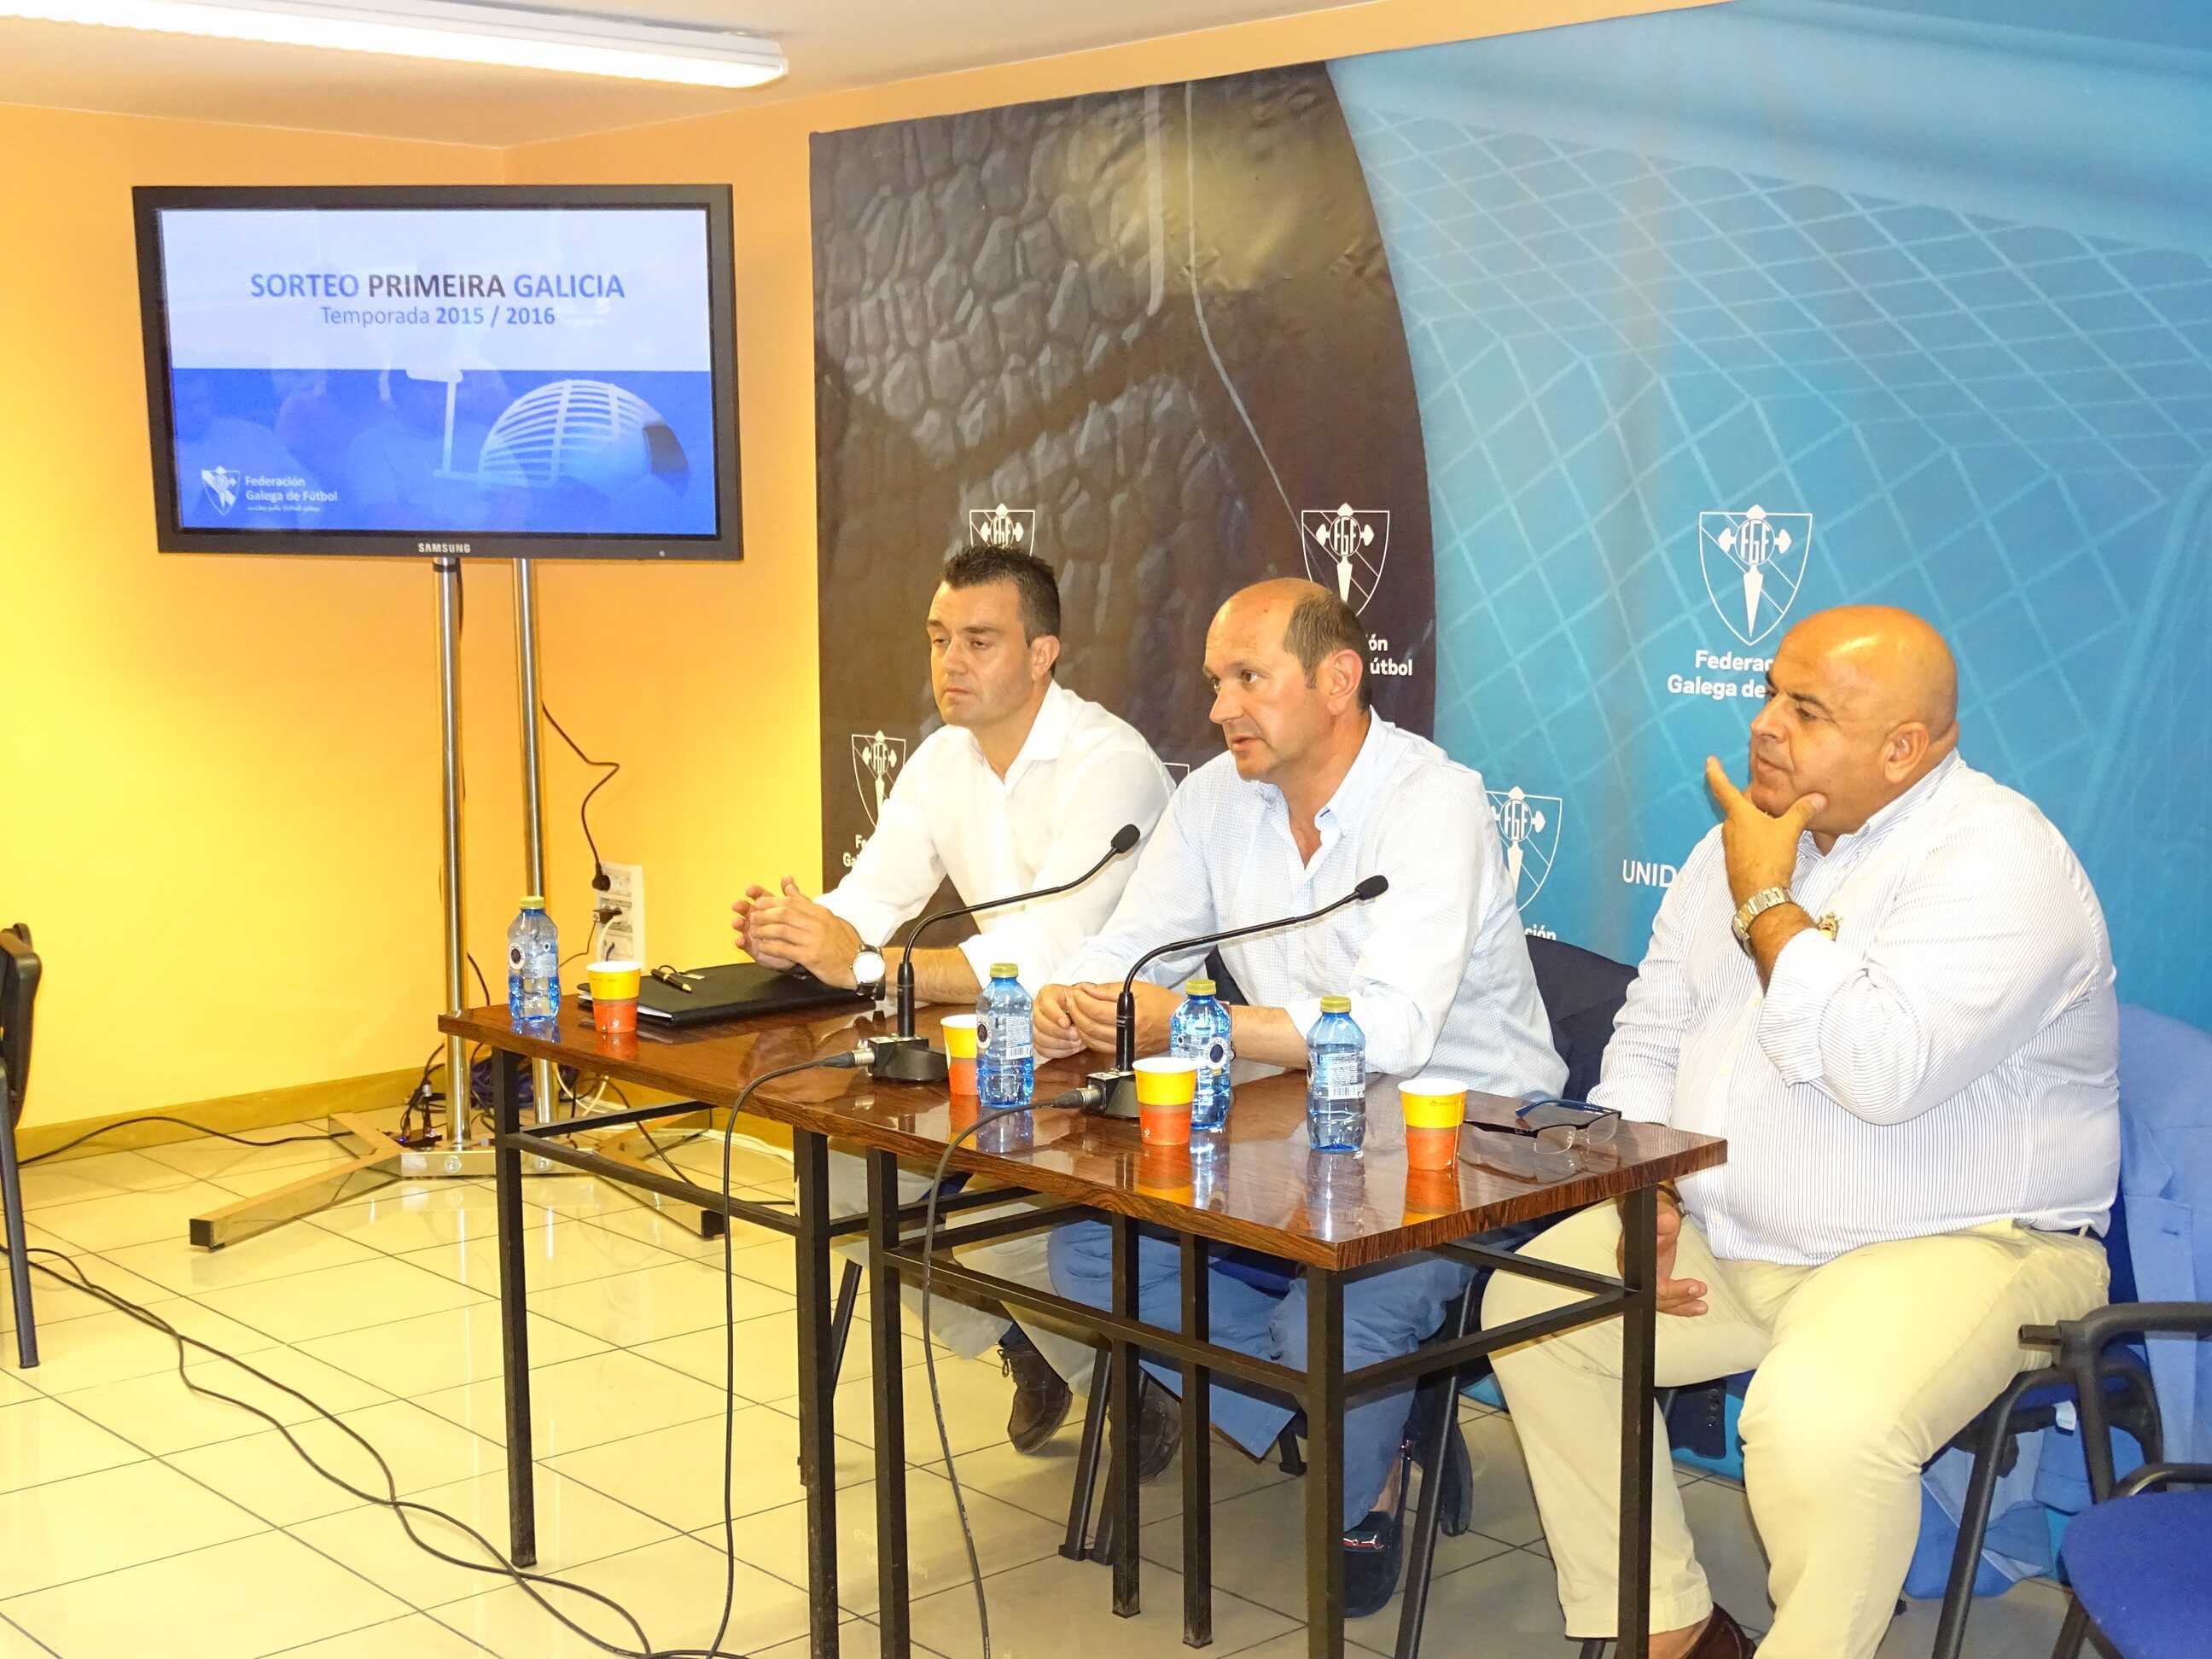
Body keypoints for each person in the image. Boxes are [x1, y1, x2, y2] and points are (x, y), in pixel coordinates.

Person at [1486, 605, 2119, 1659]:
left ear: (1904, 749)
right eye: (1770, 692)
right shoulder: (1735, 846)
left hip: (1960, 1243)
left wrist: (1768, 901)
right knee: (1541, 1311)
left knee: (1820, 1425)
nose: (1766, 725)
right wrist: (1649, 1189)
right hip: (1735, 1231)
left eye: (1808, 710)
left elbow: (1882, 1071)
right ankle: (1676, 1631)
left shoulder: (1998, 860)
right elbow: (1651, 1032)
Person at [1038, 578, 1566, 1610]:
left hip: (1470, 1146)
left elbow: (1395, 1032)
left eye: (1248, 678)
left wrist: (1192, 1024)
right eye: (1214, 683)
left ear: (1337, 679)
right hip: (1303, 1127)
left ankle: (1365, 1483)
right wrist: (1078, 996)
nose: (1220, 708)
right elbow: (1134, 949)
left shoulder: (1432, 803)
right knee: (1092, 1254)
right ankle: (1366, 1418)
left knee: (1324, 1327)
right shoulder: (1215, 799)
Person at [732, 545, 1174, 1462]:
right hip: (1011, 1056)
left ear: (1043, 654)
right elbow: (869, 901)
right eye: (939, 640)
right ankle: (1028, 1344)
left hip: (1125, 1065)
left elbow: (1053, 952)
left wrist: (865, 966)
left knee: (995, 1222)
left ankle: (1132, 1383)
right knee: (844, 1184)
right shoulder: (941, 760)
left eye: (979, 641)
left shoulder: (1110, 765)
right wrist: (799, 931)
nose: (951, 663)